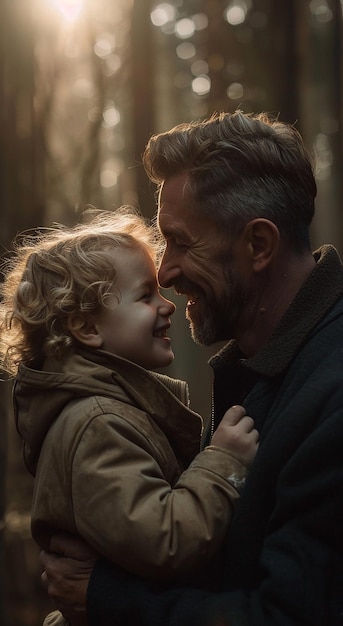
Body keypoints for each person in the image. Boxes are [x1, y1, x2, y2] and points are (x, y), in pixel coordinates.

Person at [39, 110, 343, 626]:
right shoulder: (263, 372)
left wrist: (107, 598)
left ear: (258, 245)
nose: (165, 270)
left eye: (183, 241)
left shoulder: (331, 394)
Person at [0, 207, 259, 626]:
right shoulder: (97, 423)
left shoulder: (111, 410)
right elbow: (166, 540)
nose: (167, 305)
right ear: (86, 327)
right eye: (145, 296)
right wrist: (224, 463)